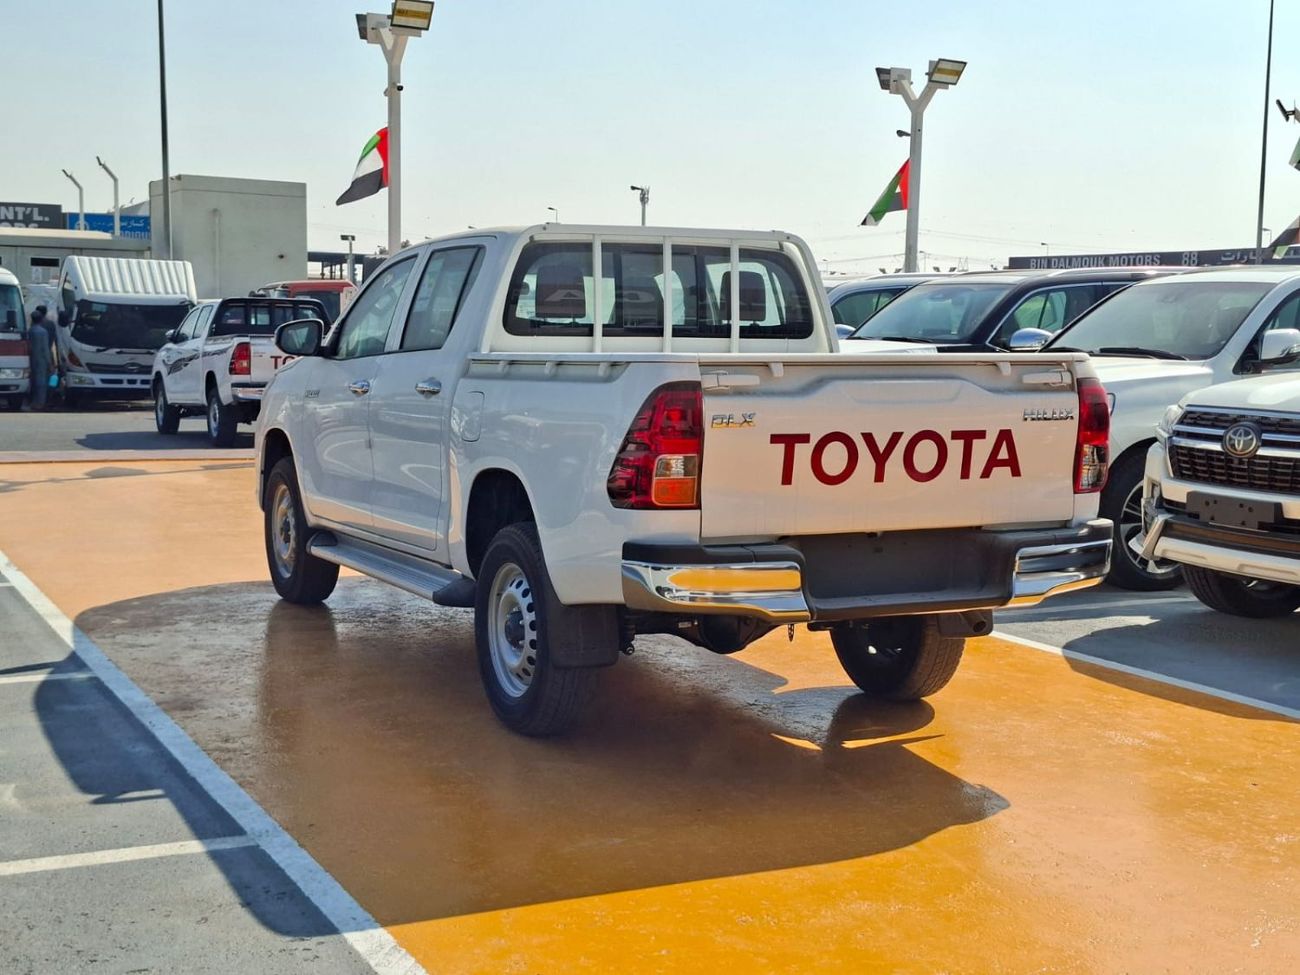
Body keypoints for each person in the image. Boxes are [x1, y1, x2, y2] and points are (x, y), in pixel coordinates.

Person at [27, 306, 51, 411]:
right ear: (41, 319)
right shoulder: (43, 332)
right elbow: (46, 349)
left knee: (33, 381)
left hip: (31, 358)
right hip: (41, 359)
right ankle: (40, 403)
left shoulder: (29, 331)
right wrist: (50, 362)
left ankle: (32, 402)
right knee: (42, 382)